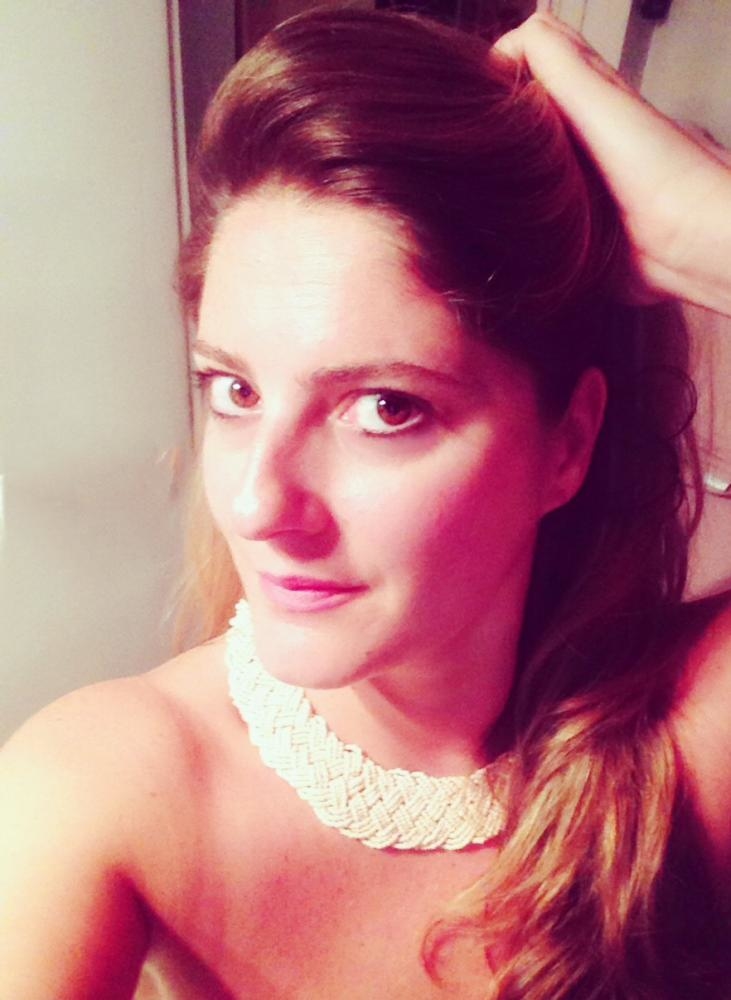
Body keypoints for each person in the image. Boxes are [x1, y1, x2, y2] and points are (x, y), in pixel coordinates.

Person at [1, 9, 729, 999]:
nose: (257, 502)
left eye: (386, 407)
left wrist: (702, 228)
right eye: (235, 389)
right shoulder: (99, 791)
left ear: (565, 443)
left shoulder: (678, 747)